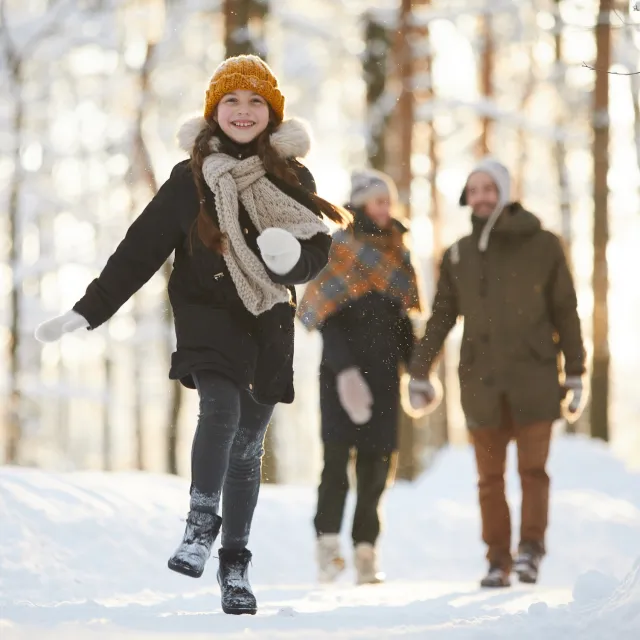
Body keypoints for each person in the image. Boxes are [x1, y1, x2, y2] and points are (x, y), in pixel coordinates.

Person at [34, 55, 349, 615]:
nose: (244, 111)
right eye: (232, 100)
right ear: (213, 112)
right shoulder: (190, 179)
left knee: (249, 447)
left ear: (272, 114)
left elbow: (314, 252)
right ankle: (201, 522)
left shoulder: (292, 176)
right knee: (220, 408)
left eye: (256, 102)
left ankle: (235, 565)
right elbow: (139, 251)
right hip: (207, 316)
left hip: (269, 320)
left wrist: (291, 261)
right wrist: (89, 310)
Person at [407, 158, 585, 588]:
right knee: (489, 479)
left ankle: (530, 552)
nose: (482, 196)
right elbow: (442, 317)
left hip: (536, 380)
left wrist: (576, 372)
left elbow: (566, 310)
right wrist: (419, 371)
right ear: (467, 197)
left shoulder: (544, 244)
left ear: (504, 193)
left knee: (532, 473)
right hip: (481, 383)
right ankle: (497, 560)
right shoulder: (459, 253)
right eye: (475, 189)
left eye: (490, 188)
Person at [298, 169, 421, 585]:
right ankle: (327, 548)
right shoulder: (337, 249)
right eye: (377, 201)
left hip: (387, 376)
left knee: (376, 468)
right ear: (360, 204)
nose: (386, 208)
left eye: (389, 200)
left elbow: (405, 323)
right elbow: (324, 319)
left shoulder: (399, 252)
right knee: (335, 465)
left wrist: (418, 372)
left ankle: (366, 550)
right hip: (339, 375)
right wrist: (347, 372)